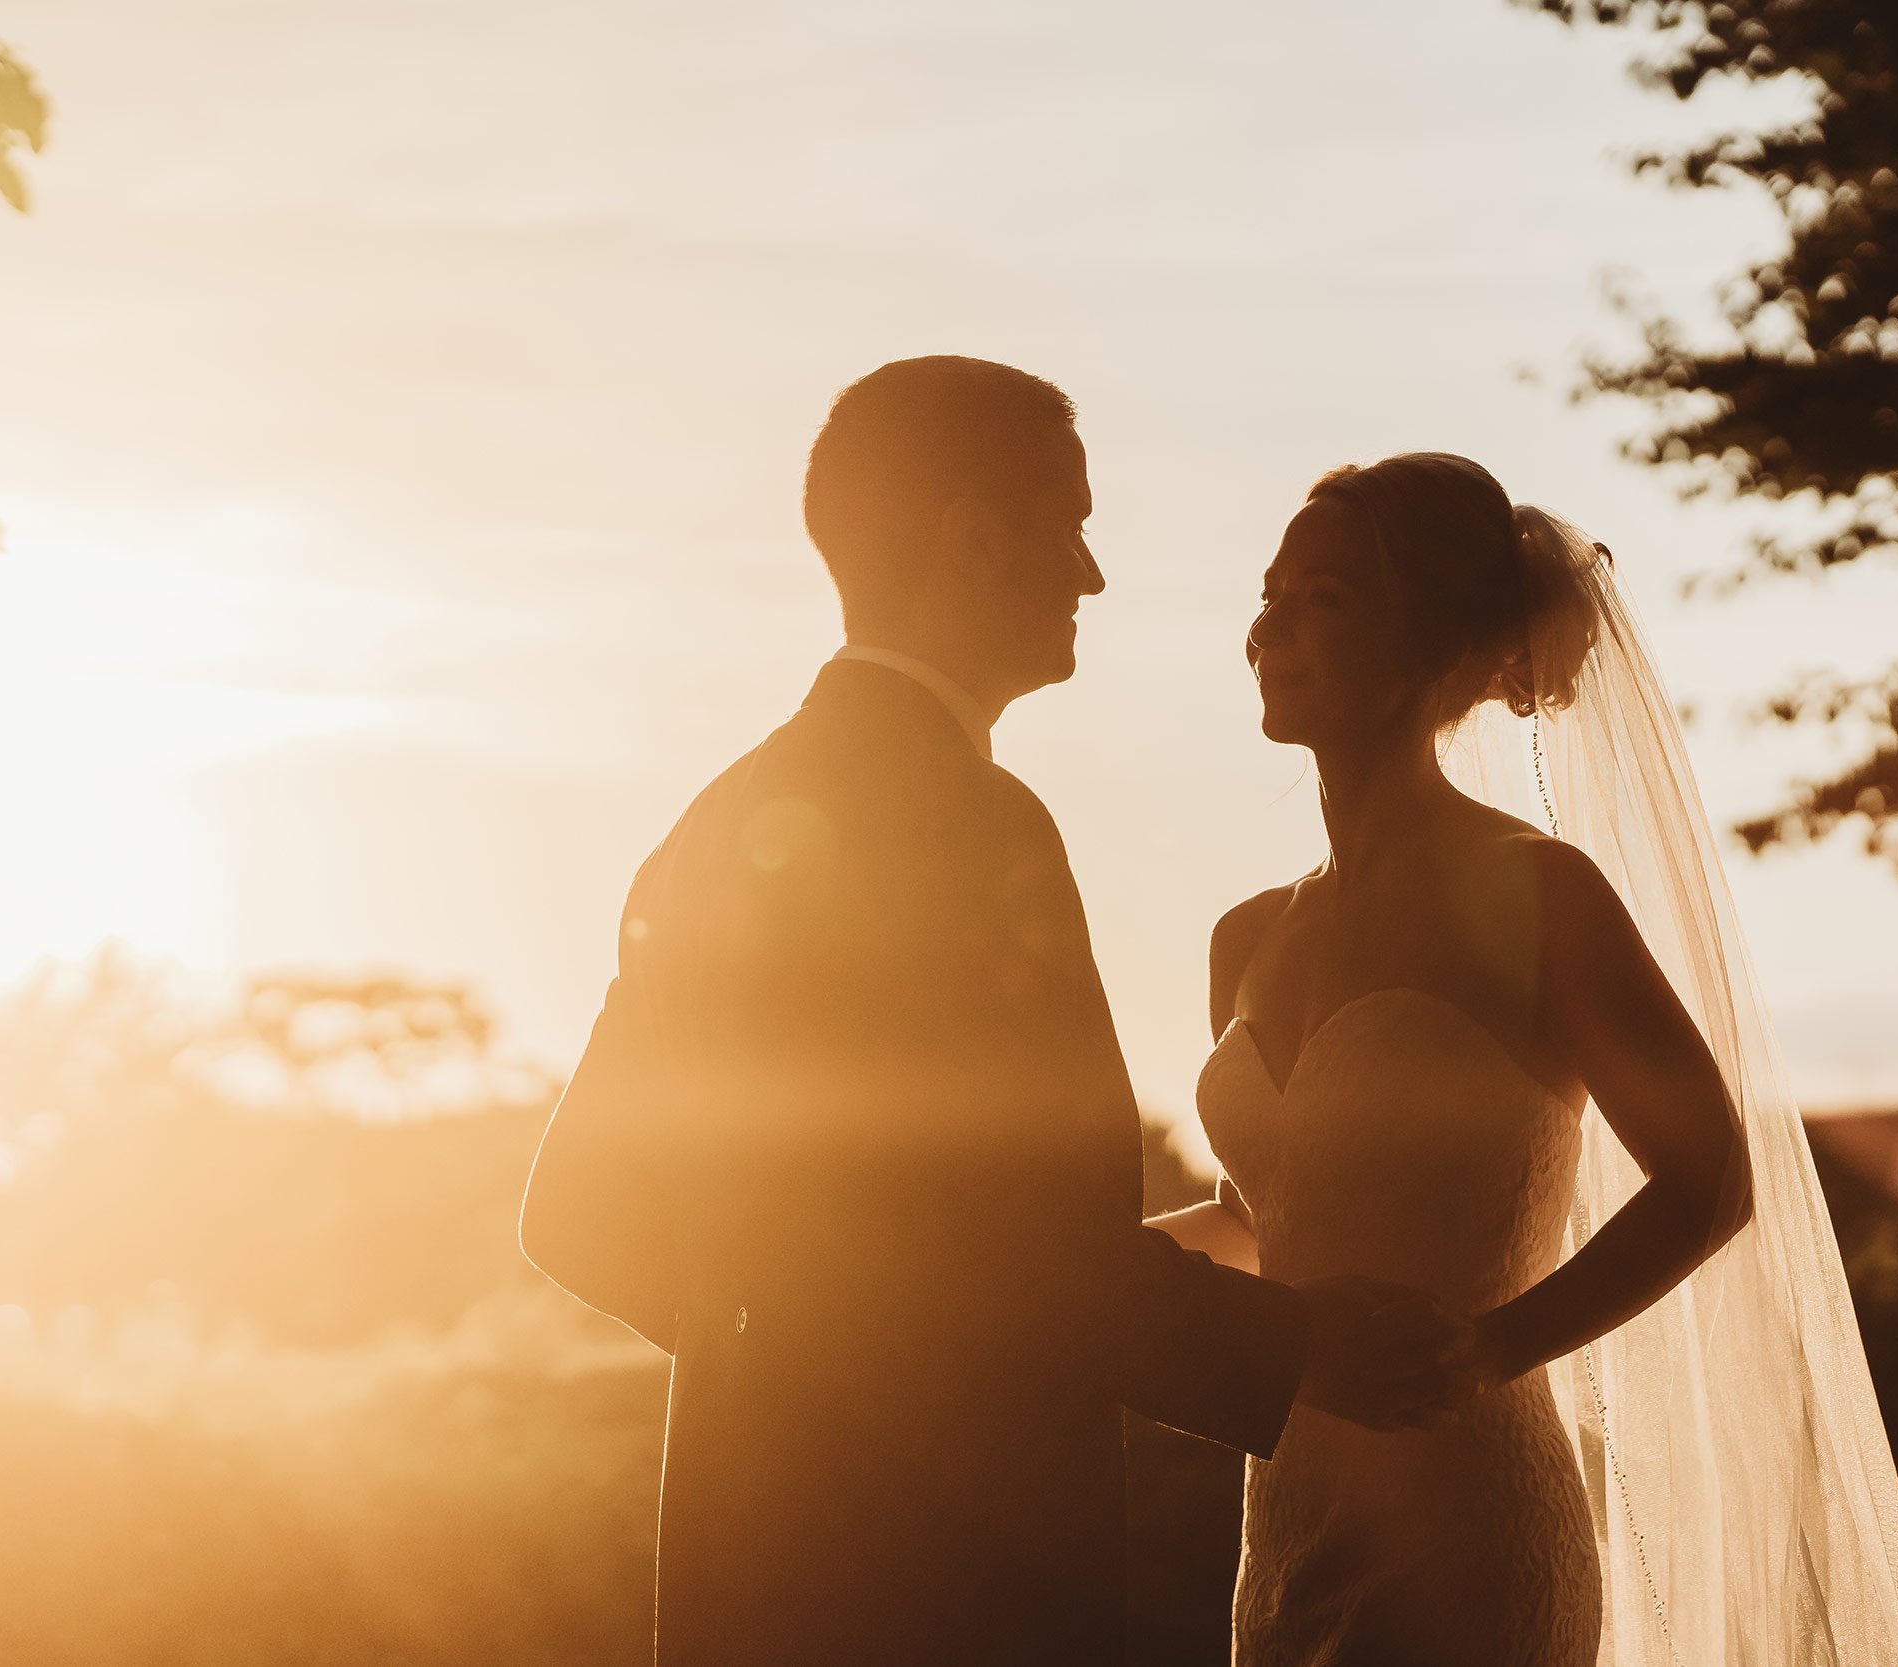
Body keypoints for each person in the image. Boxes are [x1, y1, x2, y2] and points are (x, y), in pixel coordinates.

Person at [519, 358, 1436, 1667]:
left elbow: (578, 1210)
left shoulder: (712, 824)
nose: (1090, 575)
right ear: (972, 535)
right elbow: (1021, 1253)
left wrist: (785, 1363)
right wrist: (1303, 1349)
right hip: (946, 1587)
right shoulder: (969, 823)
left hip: (748, 1578)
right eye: (1071, 524)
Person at [1156, 454, 1898, 1667]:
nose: (1273, 626)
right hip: (1286, 1528)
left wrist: (1492, 1348)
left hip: (1466, 1518)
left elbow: (1710, 1179)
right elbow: (1263, 1220)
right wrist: (1066, 1268)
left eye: (1327, 597)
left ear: (1431, 643)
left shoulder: (1537, 894)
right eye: (1271, 594)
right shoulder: (1245, 937)